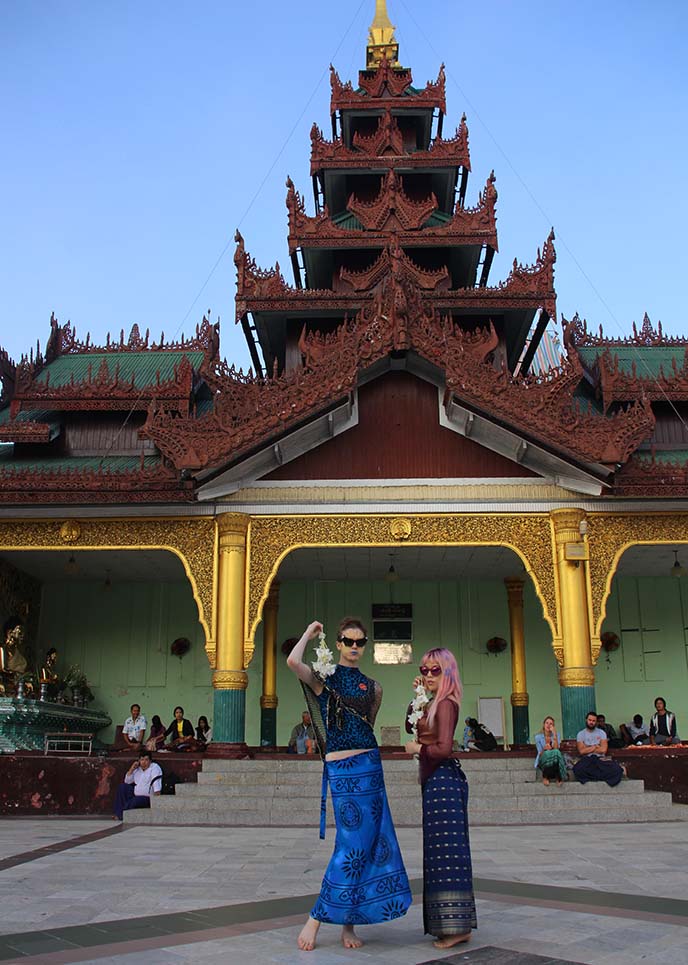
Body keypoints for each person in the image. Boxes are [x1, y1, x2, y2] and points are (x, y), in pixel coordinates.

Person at [286, 617, 411, 952]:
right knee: (350, 846)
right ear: (338, 643)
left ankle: (348, 925)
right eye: (348, 641)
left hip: (370, 766)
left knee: (369, 843)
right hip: (342, 770)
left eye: (360, 642)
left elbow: (367, 725)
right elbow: (293, 662)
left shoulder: (374, 687)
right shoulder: (324, 678)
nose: (355, 647)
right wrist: (309, 634)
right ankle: (316, 917)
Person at [404, 649, 477, 950]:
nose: (429, 675)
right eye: (425, 670)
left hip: (444, 781)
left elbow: (444, 748)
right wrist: (418, 697)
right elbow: (411, 727)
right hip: (434, 782)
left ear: (448, 672)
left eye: (436, 670)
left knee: (448, 856)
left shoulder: (446, 704)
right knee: (438, 855)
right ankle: (447, 924)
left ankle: (457, 927)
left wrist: (418, 751)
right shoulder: (432, 703)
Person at [573, 711, 625, 786]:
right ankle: (600, 776)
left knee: (616, 769)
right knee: (578, 769)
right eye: (590, 720)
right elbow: (581, 751)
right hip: (587, 759)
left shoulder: (601, 733)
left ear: (596, 722)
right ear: (586, 720)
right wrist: (595, 746)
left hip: (600, 759)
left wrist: (587, 748)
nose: (591, 722)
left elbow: (603, 750)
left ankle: (594, 776)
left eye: (593, 721)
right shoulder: (581, 734)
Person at [113, 750, 163, 820]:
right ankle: (119, 812)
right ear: (139, 760)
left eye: (146, 760)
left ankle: (120, 814)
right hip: (135, 794)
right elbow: (127, 781)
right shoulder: (137, 769)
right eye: (142, 760)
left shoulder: (154, 767)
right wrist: (132, 769)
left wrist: (157, 801)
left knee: (135, 801)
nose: (144, 762)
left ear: (150, 761)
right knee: (122, 787)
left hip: (147, 798)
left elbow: (156, 783)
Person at [534, 716, 567, 785]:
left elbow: (556, 748)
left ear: (553, 726)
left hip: (554, 758)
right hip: (543, 758)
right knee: (547, 753)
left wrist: (554, 735)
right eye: (547, 723)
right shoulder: (538, 737)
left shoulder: (557, 735)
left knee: (556, 752)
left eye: (551, 724)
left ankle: (558, 777)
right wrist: (544, 749)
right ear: (543, 725)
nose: (548, 725)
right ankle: (545, 777)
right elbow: (540, 753)